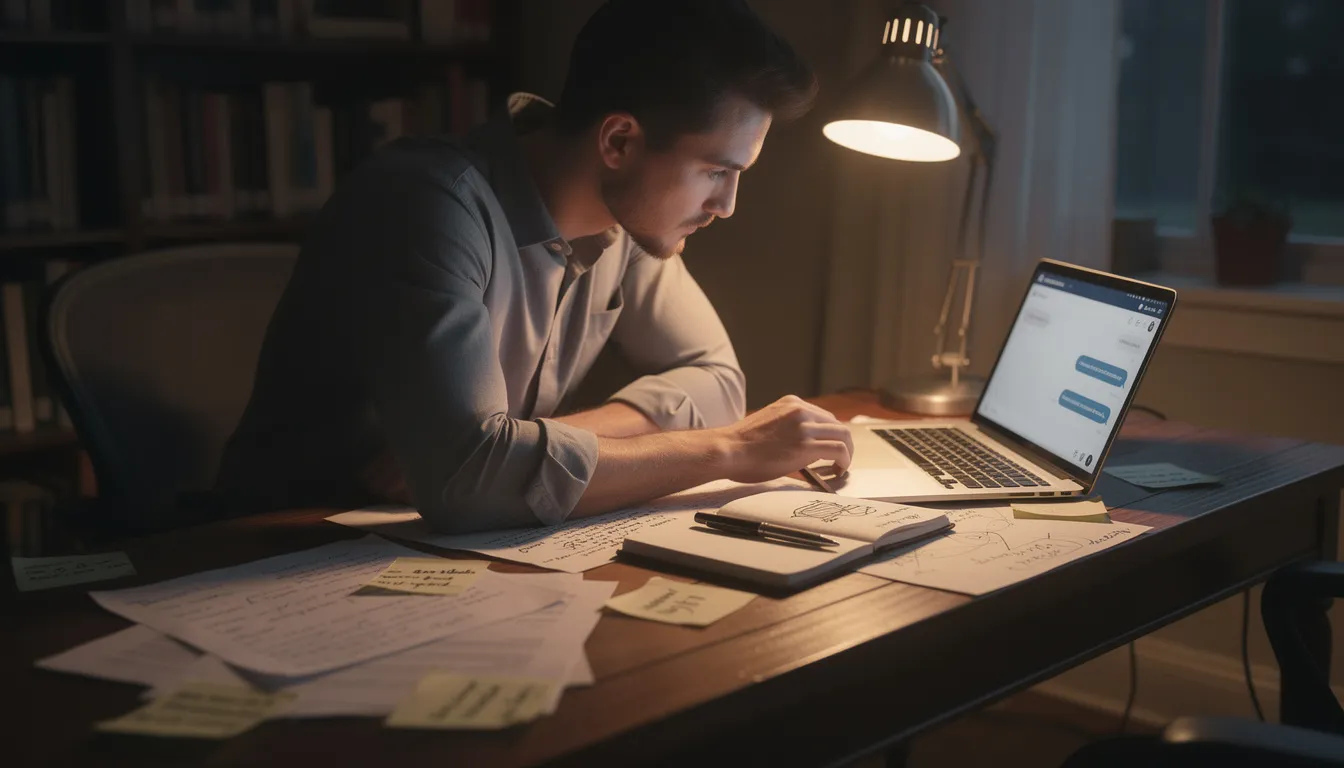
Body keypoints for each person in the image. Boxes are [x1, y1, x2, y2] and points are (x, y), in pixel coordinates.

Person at [216, 0, 853, 534]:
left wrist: (528, 441)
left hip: (434, 542)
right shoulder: (426, 203)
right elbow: (468, 484)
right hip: (278, 545)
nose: (727, 205)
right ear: (619, 142)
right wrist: (731, 450)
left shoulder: (627, 224)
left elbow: (717, 382)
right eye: (717, 171)